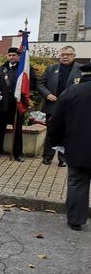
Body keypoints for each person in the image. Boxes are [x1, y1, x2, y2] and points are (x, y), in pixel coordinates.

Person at [48, 63, 91, 231]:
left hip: (77, 147)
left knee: (77, 183)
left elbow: (56, 121)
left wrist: (58, 143)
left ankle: (76, 220)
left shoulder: (72, 91)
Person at [0, 47, 36, 162]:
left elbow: (33, 84)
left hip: (17, 105)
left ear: (19, 56)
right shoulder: (0, 69)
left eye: (14, 55)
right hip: (3, 105)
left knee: (17, 130)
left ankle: (18, 153)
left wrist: (24, 94)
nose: (11, 57)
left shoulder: (25, 69)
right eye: (9, 55)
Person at [37, 45, 81, 166]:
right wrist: (47, 95)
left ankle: (63, 158)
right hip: (52, 106)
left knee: (67, 133)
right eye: (63, 54)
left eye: (68, 54)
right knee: (51, 131)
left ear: (74, 56)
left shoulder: (81, 69)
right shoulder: (51, 68)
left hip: (72, 107)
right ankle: (47, 156)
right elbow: (40, 84)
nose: (65, 57)